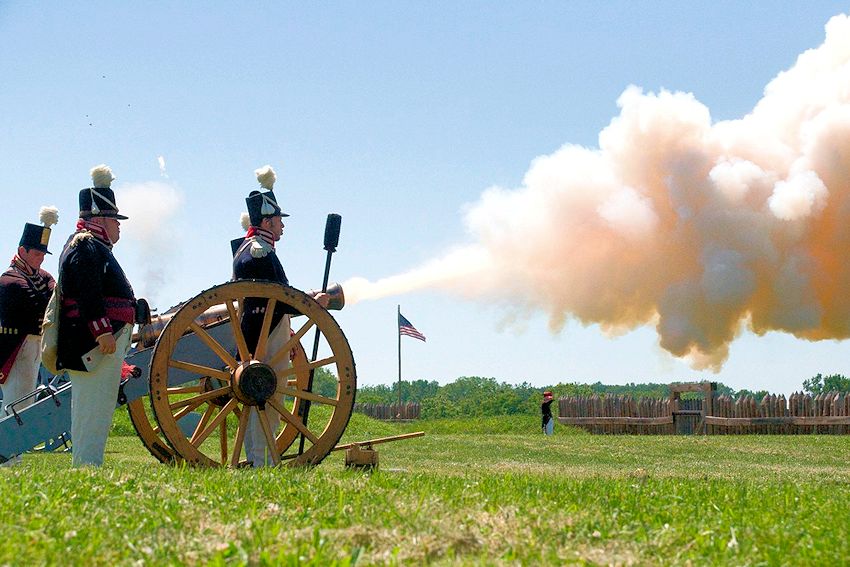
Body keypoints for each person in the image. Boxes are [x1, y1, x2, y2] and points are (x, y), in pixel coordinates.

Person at [232, 165, 328, 466]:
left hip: (258, 329)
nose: (282, 226)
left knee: (254, 397)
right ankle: (262, 462)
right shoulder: (260, 252)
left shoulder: (250, 248)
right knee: (268, 395)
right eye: (278, 221)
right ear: (268, 221)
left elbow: (278, 296)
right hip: (266, 333)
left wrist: (306, 300)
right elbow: (277, 299)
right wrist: (312, 304)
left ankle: (256, 458)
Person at [57, 164, 136, 467]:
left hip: (99, 339)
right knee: (93, 409)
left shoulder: (94, 247)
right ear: (100, 218)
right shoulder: (86, 246)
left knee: (97, 407)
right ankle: (86, 467)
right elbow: (88, 294)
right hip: (93, 342)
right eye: (115, 219)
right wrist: (102, 331)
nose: (119, 225)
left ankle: (89, 465)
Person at [0, 207, 59, 465]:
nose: (41, 259)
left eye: (43, 254)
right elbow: (40, 304)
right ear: (22, 251)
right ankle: (8, 457)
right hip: (14, 347)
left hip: (34, 345)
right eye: (36, 253)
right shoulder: (10, 280)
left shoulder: (40, 277)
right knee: (14, 400)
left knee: (26, 401)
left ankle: (14, 455)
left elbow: (54, 294)